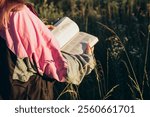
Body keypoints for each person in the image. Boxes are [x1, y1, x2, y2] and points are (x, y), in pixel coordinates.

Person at [0, 0, 95, 99]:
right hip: (29, 95)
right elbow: (56, 67)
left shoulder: (7, 13)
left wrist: (36, 29)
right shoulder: (17, 14)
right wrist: (85, 60)